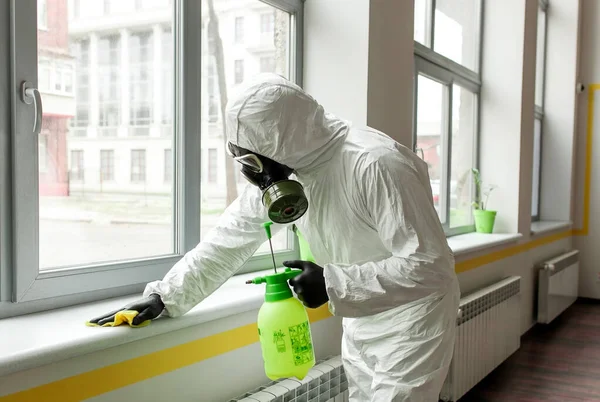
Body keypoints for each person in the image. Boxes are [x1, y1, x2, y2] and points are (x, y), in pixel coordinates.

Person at [90, 73, 460, 401]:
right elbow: (229, 239)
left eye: (253, 162)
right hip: (362, 315)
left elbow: (430, 266)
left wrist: (332, 284)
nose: (255, 175)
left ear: (281, 142)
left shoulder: (376, 164)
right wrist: (164, 296)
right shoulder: (289, 167)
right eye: (243, 163)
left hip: (413, 320)